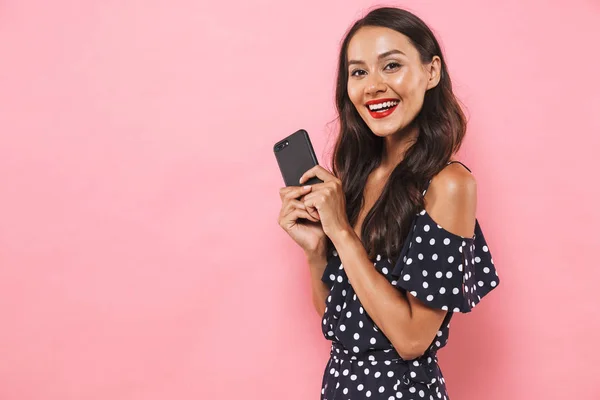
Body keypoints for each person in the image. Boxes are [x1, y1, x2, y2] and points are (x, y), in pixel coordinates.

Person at [277, 7, 500, 400]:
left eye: (391, 66)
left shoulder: (449, 185)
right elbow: (341, 319)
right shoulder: (357, 178)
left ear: (431, 72)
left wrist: (342, 233)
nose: (373, 86)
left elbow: (412, 339)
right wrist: (316, 251)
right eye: (358, 72)